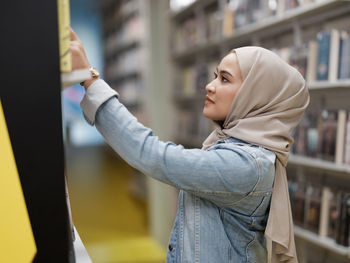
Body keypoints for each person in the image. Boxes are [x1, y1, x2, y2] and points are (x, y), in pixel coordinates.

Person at [70, 29, 309, 263]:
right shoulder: (235, 147)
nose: (210, 85)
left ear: (255, 96)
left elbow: (152, 155)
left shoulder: (246, 164)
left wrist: (90, 80)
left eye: (224, 79)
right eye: (215, 75)